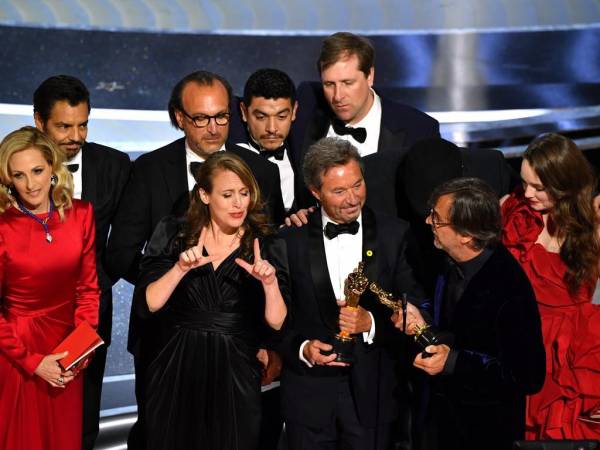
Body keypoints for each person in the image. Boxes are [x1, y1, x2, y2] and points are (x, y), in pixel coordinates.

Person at [105, 70, 285, 449]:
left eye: (221, 116)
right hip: (165, 343)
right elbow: (121, 252)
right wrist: (178, 288)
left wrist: (270, 343)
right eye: (201, 118)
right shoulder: (150, 169)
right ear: (179, 118)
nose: (214, 128)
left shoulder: (263, 173)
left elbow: (272, 260)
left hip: (238, 345)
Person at [276, 137, 425, 450]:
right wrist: (303, 348)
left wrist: (370, 323)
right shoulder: (288, 241)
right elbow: (274, 321)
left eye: (357, 185)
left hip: (373, 397)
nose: (352, 198)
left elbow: (414, 307)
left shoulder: (395, 234)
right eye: (339, 191)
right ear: (316, 192)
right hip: (309, 398)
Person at [133, 152, 287, 450]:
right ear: (204, 194)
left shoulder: (266, 243)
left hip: (236, 369)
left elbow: (278, 321)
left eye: (244, 193)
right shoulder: (174, 233)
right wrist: (179, 269)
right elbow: (148, 303)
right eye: (228, 194)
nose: (238, 203)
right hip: (175, 364)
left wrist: (269, 284)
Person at [394, 177, 545, 450]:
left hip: (483, 433)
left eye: (437, 219)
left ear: (466, 235)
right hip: (440, 424)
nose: (429, 222)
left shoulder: (508, 287)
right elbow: (453, 325)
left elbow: (528, 376)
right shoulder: (448, 260)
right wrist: (421, 320)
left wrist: (454, 362)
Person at [32, 74, 131, 450]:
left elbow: (123, 243)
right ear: (39, 122)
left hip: (89, 309)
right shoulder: (11, 168)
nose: (76, 136)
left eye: (83, 125)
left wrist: (95, 287)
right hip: (28, 313)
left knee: (83, 407)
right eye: (64, 126)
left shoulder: (115, 166)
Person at [0, 126, 100, 450]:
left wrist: (77, 355)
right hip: (18, 352)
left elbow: (88, 289)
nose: (31, 184)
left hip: (67, 349)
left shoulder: (81, 214)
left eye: (37, 171)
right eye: (19, 175)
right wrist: (32, 362)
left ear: (52, 167)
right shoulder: (2, 227)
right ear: (7, 179)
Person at [501, 133, 600, 439]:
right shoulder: (510, 209)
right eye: (524, 182)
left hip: (569, 352)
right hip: (517, 339)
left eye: (539, 188)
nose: (528, 193)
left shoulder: (592, 224)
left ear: (565, 183)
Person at [291, 32, 440, 215]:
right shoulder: (307, 106)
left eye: (348, 83)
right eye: (329, 84)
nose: (338, 96)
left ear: (370, 75)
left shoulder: (417, 129)